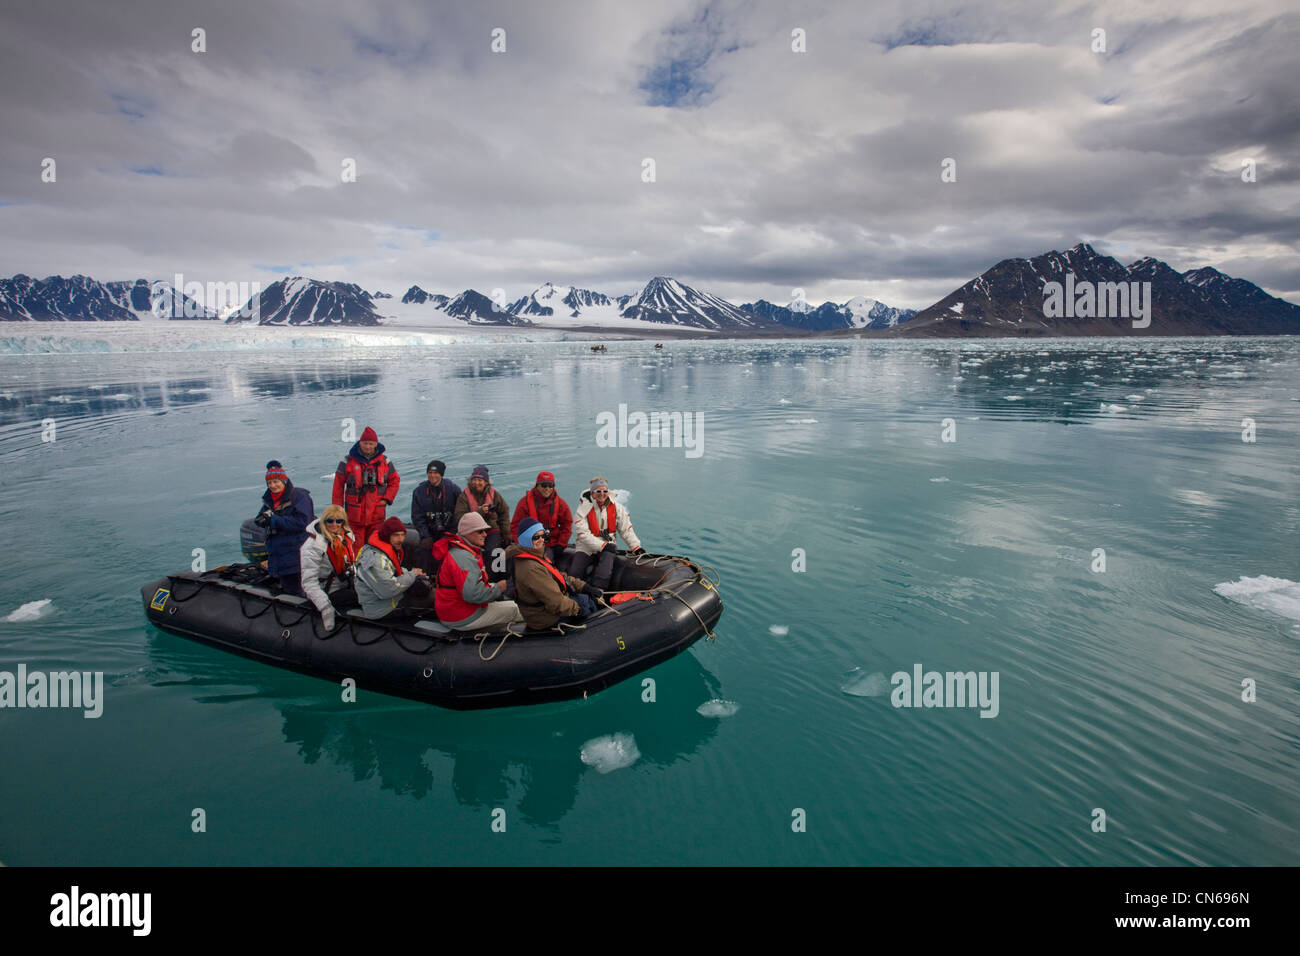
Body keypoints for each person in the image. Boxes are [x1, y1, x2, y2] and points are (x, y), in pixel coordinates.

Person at [506, 519, 601, 631]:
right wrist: (579, 610)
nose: (541, 540)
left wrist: (583, 586)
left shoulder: (533, 555)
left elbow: (557, 576)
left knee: (586, 598)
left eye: (543, 535)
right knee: (588, 604)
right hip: (545, 618)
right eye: (536, 537)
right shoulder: (531, 568)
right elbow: (555, 601)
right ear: (526, 539)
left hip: (544, 610)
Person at [435, 513, 523, 631]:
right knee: (518, 609)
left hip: (453, 611)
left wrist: (494, 587)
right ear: (468, 533)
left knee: (509, 604)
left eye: (485, 531)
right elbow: (473, 595)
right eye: (480, 531)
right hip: (463, 616)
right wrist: (499, 587)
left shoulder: (458, 550)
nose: (485, 534)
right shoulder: (464, 557)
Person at [569, 476, 644, 591]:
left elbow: (626, 529)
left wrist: (636, 547)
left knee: (605, 570)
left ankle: (598, 592)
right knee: (575, 571)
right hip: (586, 546)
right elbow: (583, 534)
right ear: (592, 493)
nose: (602, 494)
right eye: (598, 491)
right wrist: (602, 546)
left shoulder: (617, 508)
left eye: (605, 491)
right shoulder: (582, 510)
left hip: (607, 542)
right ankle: (571, 591)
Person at [333, 426, 400, 549]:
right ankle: (354, 568)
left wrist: (386, 499)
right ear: (360, 443)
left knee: (375, 546)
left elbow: (394, 481)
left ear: (376, 444)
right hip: (354, 515)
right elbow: (338, 486)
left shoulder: (385, 461)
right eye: (365, 443)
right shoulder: (347, 461)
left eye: (371, 443)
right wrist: (337, 511)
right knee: (354, 547)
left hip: (377, 514)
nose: (368, 446)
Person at [253, 460, 315, 595]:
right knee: (288, 590)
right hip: (278, 555)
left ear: (284, 481)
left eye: (276, 481)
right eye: (269, 483)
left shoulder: (299, 496)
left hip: (296, 554)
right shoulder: (269, 500)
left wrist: (274, 520)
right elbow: (263, 516)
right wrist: (260, 520)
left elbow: (303, 522)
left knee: (300, 591)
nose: (273, 486)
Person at [354, 516, 433, 621]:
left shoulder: (385, 551)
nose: (400, 540)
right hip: (383, 609)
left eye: (402, 535)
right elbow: (388, 589)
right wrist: (413, 575)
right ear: (387, 536)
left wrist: (413, 573)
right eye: (396, 535)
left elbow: (393, 571)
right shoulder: (375, 559)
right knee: (434, 599)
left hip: (391, 600)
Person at [299, 504, 359, 630]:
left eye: (339, 521)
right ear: (324, 521)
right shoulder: (312, 547)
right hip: (327, 591)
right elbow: (309, 582)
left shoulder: (344, 538)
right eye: (330, 521)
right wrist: (325, 607)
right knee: (358, 598)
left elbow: (350, 565)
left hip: (344, 584)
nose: (334, 525)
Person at [452, 464, 511, 581]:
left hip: (491, 529)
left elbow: (504, 513)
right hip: (472, 531)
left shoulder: (494, 495)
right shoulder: (464, 497)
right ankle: (486, 580)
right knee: (484, 552)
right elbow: (460, 517)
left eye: (480, 480)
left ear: (486, 482)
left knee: (496, 550)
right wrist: (480, 512)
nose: (476, 483)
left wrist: (506, 534)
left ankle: (500, 579)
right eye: (474, 480)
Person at [510, 471, 573, 566]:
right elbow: (515, 526)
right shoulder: (524, 503)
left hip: (550, 544)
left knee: (545, 564)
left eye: (550, 485)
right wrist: (521, 545)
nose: (547, 488)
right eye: (544, 485)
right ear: (537, 486)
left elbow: (567, 525)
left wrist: (561, 544)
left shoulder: (561, 504)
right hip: (528, 544)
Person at [410, 459, 462, 575]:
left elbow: (460, 514)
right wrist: (425, 535)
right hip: (430, 531)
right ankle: (424, 579)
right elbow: (417, 517)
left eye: (435, 473)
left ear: (441, 474)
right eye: (430, 472)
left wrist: (450, 534)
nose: (432, 475)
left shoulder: (453, 490)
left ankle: (446, 578)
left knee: (448, 550)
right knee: (424, 550)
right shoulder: (419, 492)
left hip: (449, 531)